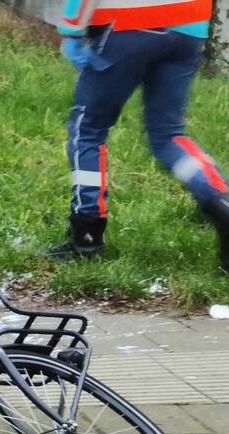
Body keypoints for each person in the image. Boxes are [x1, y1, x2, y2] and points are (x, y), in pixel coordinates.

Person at [50, 0, 229, 273]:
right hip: (189, 25)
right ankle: (221, 201)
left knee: (88, 129)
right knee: (169, 135)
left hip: (127, 23)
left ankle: (86, 234)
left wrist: (73, 28)